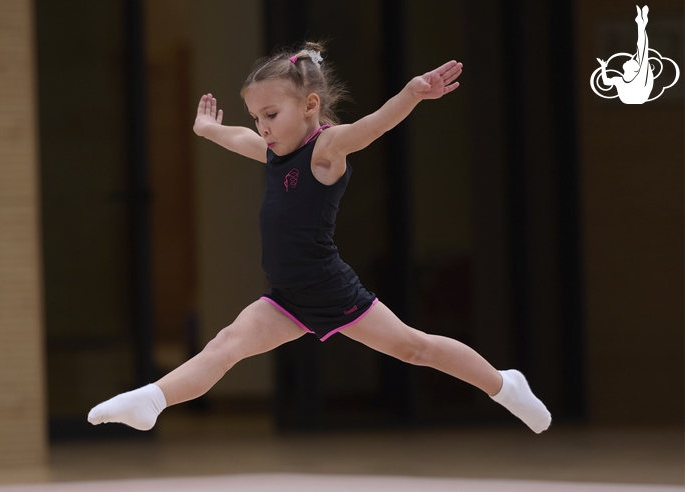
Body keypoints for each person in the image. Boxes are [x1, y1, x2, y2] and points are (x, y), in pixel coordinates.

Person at [88, 41, 551, 434]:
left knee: (415, 347)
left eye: (270, 113)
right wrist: (207, 129)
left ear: (310, 106)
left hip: (331, 288)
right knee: (225, 344)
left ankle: (503, 384)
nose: (262, 127)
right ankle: (152, 399)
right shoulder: (273, 152)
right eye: (256, 117)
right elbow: (237, 140)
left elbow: (373, 126)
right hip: (287, 296)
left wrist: (412, 93)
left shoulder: (325, 150)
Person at [597, 5, 653, 104]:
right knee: (642, 51)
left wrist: (603, 67)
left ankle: (641, 24)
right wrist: (603, 67)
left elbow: (643, 49)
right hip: (634, 98)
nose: (630, 59)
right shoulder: (620, 80)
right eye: (633, 60)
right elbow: (606, 82)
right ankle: (641, 24)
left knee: (642, 51)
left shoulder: (637, 78)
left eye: (632, 61)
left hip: (638, 96)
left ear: (634, 69)